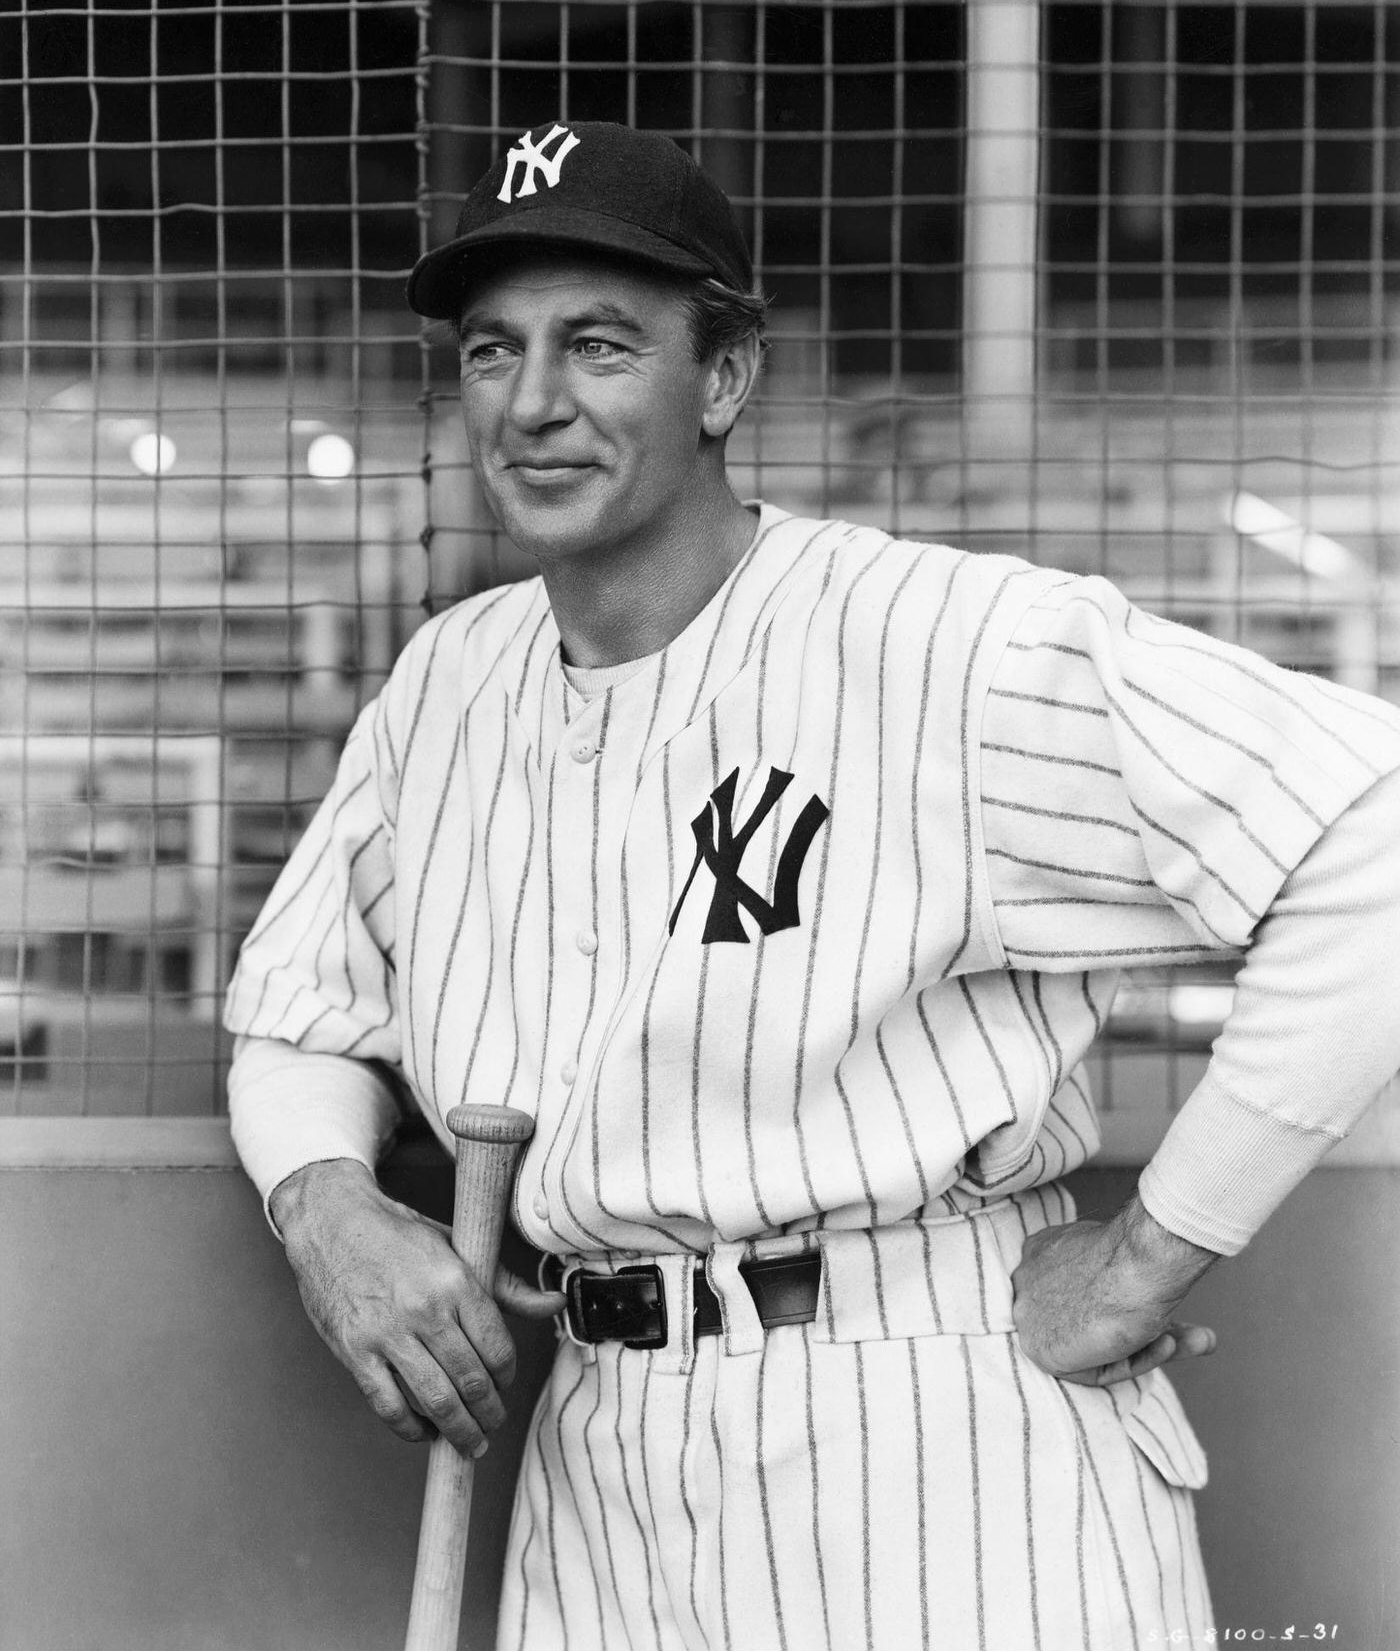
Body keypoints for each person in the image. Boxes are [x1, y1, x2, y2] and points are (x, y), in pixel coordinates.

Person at [225, 120, 1400, 1650]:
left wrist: (1146, 1256)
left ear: (724, 378)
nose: (534, 404)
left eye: (598, 343)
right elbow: (301, 1009)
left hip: (927, 1423)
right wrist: (327, 1207)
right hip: (599, 1457)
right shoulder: (447, 684)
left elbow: (1371, 823)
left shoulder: (941, 643)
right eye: (493, 350)